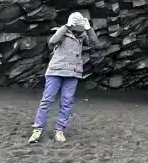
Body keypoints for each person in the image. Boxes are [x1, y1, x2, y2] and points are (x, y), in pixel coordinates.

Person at [29, 12, 99, 144]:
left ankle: (59, 130)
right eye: (77, 27)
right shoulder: (62, 32)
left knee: (66, 102)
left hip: (73, 73)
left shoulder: (83, 35)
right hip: (55, 71)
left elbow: (95, 44)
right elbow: (52, 41)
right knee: (46, 101)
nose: (79, 30)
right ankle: (37, 130)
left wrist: (89, 28)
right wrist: (67, 26)